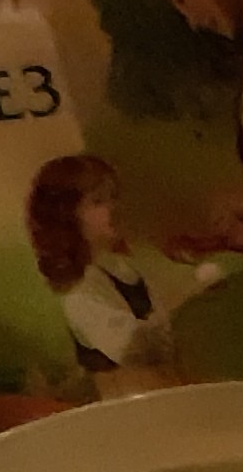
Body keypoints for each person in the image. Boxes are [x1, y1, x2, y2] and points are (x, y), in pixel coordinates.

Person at [23, 153, 216, 393]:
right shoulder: (78, 290)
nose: (113, 208)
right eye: (98, 202)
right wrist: (189, 295)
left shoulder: (120, 268)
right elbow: (134, 348)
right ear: (67, 214)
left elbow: (165, 342)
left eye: (113, 198)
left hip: (162, 390)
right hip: (126, 398)